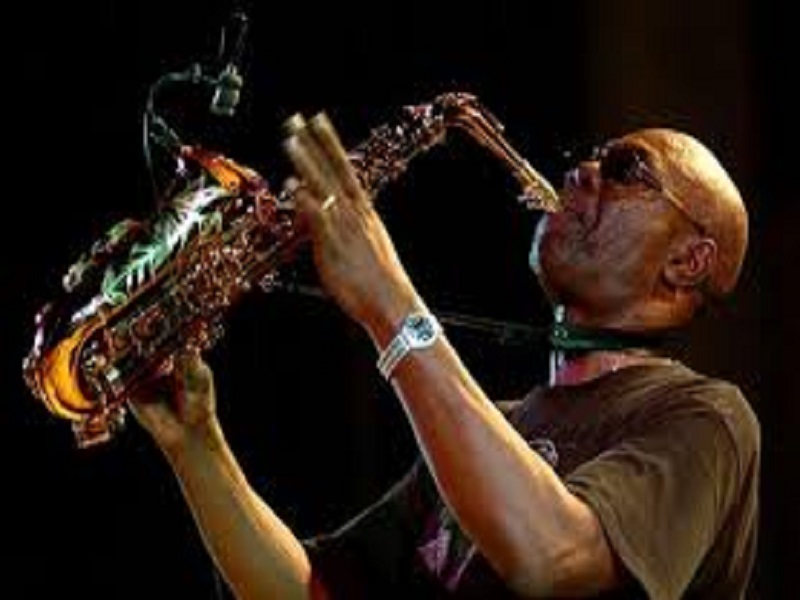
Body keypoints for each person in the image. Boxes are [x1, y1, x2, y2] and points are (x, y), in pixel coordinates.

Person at [130, 113, 760, 599]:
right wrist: (196, 444)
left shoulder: (706, 419)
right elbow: (309, 590)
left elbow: (552, 557)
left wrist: (389, 300)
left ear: (687, 261)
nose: (583, 173)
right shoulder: (494, 428)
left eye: (627, 170)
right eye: (592, 158)